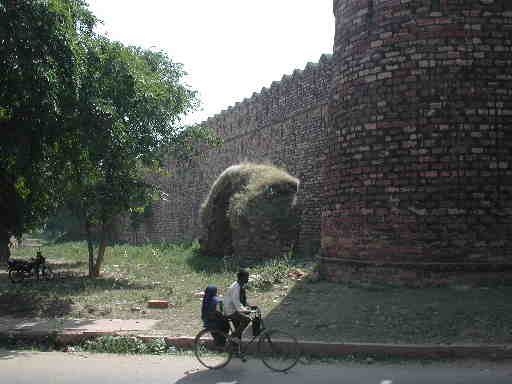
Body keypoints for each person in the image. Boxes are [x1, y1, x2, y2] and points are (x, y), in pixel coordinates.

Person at [223, 269, 255, 341]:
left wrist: (249, 307)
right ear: (242, 278)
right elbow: (236, 302)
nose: (248, 278)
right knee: (247, 320)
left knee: (239, 328)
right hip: (230, 310)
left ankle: (236, 347)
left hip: (234, 309)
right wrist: (245, 310)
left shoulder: (240, 285)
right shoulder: (236, 287)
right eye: (246, 277)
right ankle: (232, 337)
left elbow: (242, 300)